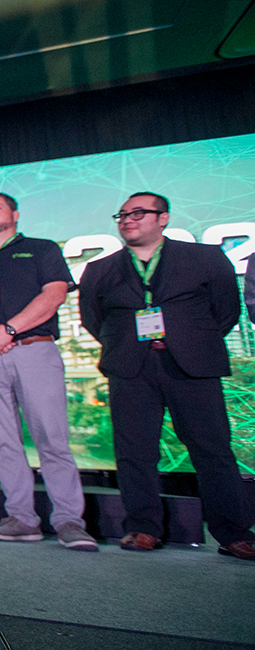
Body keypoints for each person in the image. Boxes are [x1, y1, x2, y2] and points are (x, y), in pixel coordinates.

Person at [79, 192, 255, 560]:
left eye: (138, 213)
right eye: (122, 215)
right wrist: (132, 344)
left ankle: (234, 533)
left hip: (192, 366)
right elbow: (94, 320)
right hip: (130, 367)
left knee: (213, 451)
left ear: (163, 218)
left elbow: (225, 311)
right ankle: (143, 527)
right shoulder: (100, 270)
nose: (128, 220)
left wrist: (186, 340)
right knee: (134, 453)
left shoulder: (205, 258)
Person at [0, 193, 97, 551]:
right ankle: (21, 519)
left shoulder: (42, 250)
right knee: (2, 442)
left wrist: (8, 329)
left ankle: (69, 521)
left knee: (52, 439)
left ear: (14, 213)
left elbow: (54, 294)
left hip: (33, 350)